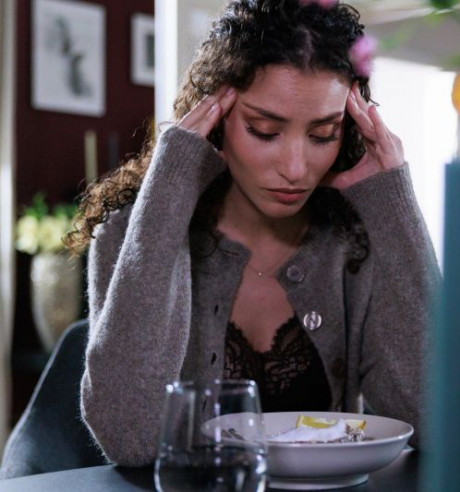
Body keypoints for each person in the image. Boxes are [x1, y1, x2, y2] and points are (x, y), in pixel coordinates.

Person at [65, 0, 439, 467]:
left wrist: (395, 203)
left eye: (323, 134)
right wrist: (171, 186)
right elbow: (132, 440)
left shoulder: (356, 240)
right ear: (217, 116)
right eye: (264, 130)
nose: (295, 168)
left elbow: (436, 421)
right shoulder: (131, 232)